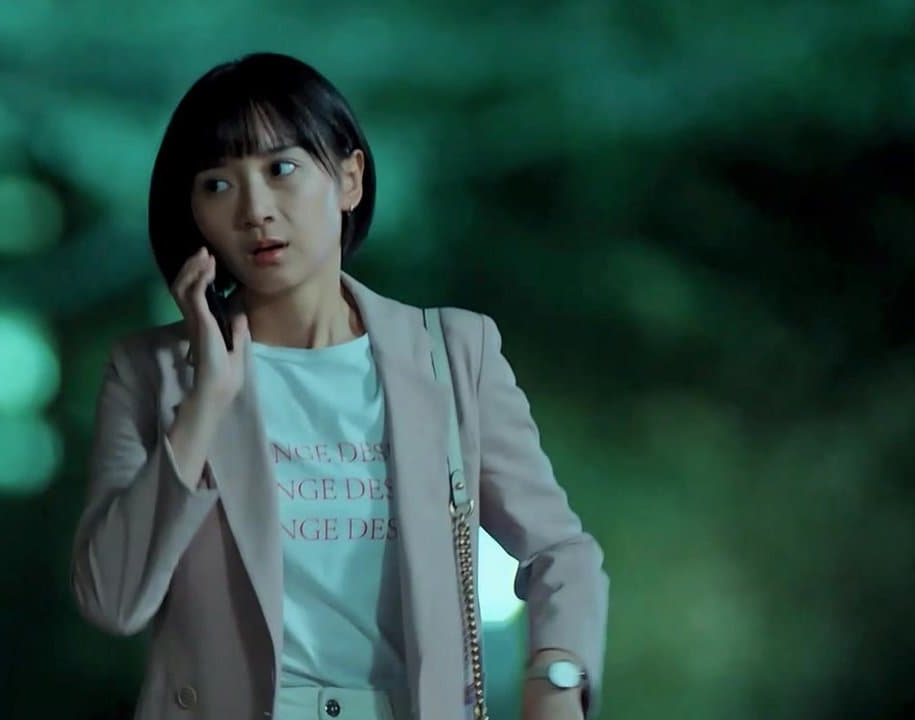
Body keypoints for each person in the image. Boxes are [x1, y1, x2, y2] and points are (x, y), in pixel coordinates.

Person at [70, 52, 609, 720]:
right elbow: (112, 600)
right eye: (218, 184)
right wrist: (205, 401)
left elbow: (560, 551)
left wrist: (554, 682)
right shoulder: (150, 372)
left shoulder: (451, 355)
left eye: (281, 169)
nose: (255, 210)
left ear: (349, 179)